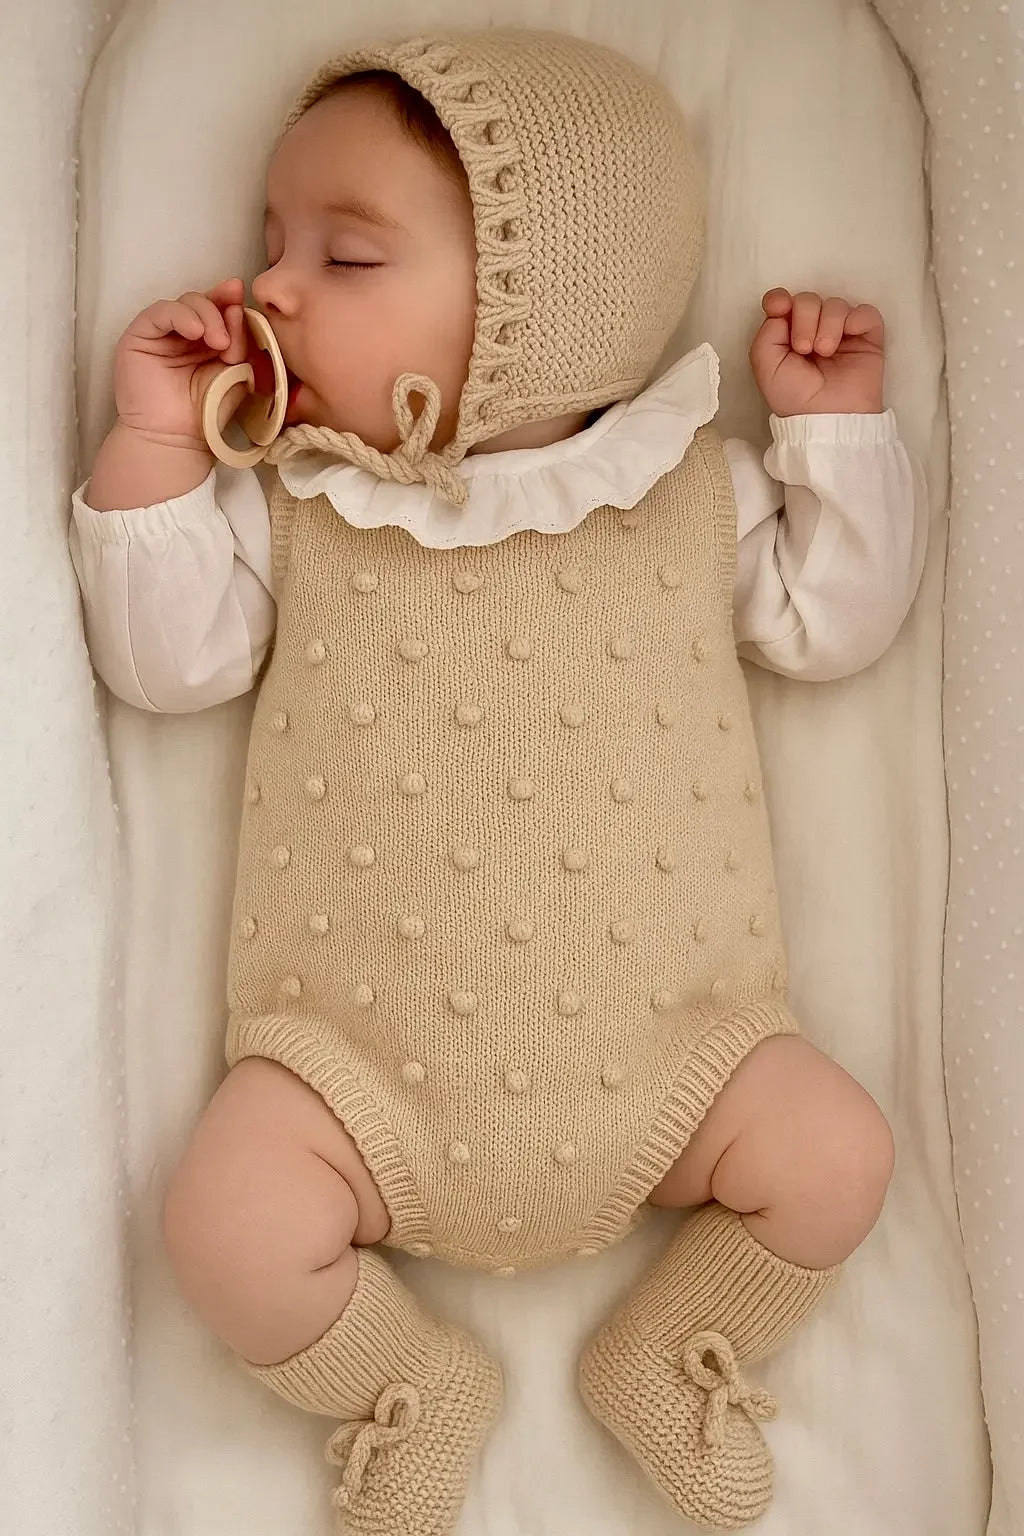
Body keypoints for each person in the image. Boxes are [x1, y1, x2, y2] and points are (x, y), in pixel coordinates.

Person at [70, 28, 926, 1533]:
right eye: (273, 243)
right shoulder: (307, 509)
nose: (269, 287)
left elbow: (833, 624)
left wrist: (834, 429)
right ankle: (402, 1382)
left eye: (345, 256)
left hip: (688, 1070)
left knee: (840, 1155)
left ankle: (673, 1345)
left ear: (544, 311)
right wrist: (155, 445)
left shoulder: (680, 493)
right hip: (348, 1088)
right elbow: (165, 662)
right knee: (223, 1222)